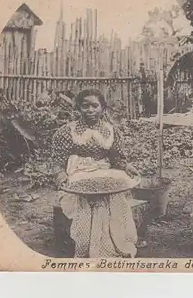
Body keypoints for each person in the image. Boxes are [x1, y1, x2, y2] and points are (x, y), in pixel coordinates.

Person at [51, 89, 141, 258]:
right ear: (78, 108)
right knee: (88, 199)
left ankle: (111, 243)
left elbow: (117, 158)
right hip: (77, 171)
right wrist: (61, 174)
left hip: (103, 171)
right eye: (85, 106)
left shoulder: (111, 130)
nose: (90, 110)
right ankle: (88, 245)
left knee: (112, 196)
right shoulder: (67, 131)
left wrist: (126, 166)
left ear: (103, 108)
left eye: (95, 106)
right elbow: (58, 161)